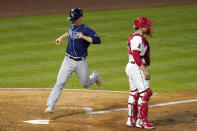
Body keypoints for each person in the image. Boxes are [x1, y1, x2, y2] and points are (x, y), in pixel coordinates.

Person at [45, 8, 102, 113]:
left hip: (81, 62)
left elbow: (98, 40)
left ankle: (95, 76)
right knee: (60, 82)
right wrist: (61, 37)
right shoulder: (72, 26)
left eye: (74, 19)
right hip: (68, 60)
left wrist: (84, 37)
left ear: (80, 18)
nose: (72, 21)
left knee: (86, 84)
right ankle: (50, 106)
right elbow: (69, 32)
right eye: (71, 19)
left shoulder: (87, 30)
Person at [125, 16, 154, 129]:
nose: (148, 27)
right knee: (146, 93)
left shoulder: (133, 36)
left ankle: (131, 120)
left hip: (131, 66)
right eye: (146, 25)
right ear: (141, 27)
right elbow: (136, 55)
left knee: (134, 93)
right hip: (137, 67)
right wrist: (144, 70)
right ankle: (142, 122)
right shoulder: (137, 39)